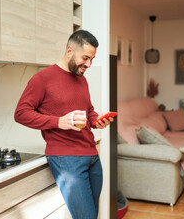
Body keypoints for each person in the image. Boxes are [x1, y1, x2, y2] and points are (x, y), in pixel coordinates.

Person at [14, 29, 114, 219]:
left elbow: (88, 110)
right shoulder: (42, 79)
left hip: (92, 156)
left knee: (93, 215)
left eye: (92, 59)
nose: (89, 64)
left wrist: (96, 121)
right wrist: (58, 122)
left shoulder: (81, 79)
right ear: (69, 51)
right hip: (67, 159)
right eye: (85, 58)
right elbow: (21, 113)